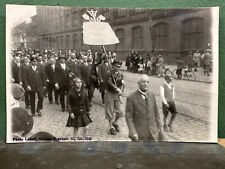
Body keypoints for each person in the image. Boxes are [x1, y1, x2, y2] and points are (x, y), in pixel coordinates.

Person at [125, 74, 164, 141]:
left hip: (153, 133)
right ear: (138, 83)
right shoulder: (131, 97)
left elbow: (156, 114)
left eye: (147, 82)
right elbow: (129, 117)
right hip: (139, 135)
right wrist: (133, 132)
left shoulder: (151, 95)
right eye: (143, 82)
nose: (146, 84)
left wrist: (160, 128)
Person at [66, 76, 92, 140]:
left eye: (80, 82)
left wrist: (88, 110)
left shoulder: (84, 91)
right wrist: (70, 112)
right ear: (74, 83)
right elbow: (68, 103)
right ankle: (75, 140)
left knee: (86, 127)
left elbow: (86, 101)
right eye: (77, 82)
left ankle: (83, 139)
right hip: (75, 111)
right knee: (76, 127)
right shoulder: (71, 92)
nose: (79, 84)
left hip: (83, 111)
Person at [104, 60, 124, 135]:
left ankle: (115, 122)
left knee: (120, 111)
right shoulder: (108, 73)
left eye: (119, 66)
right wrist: (116, 88)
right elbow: (109, 83)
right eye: (116, 66)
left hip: (117, 94)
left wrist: (121, 90)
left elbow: (122, 83)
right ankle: (111, 126)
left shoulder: (121, 74)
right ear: (113, 66)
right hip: (110, 93)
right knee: (110, 110)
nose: (117, 68)